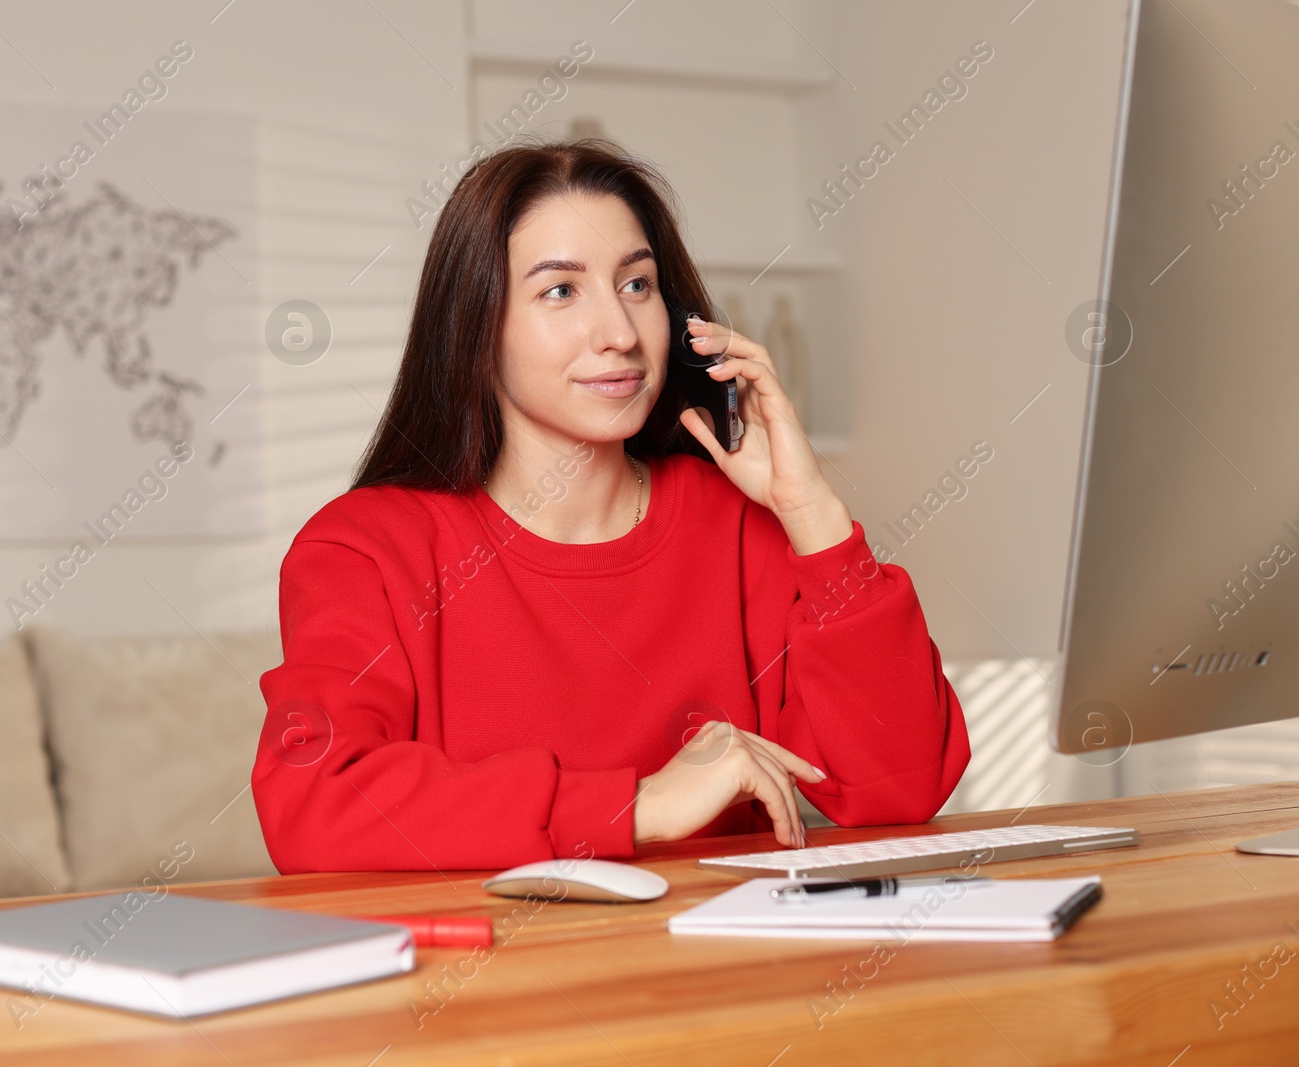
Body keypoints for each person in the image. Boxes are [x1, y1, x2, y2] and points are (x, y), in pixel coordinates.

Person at [251, 138, 970, 874]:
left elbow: (902, 788)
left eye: (637, 284)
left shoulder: (739, 526)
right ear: (476, 328)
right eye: (560, 291)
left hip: (729, 976)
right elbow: (314, 804)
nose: (621, 334)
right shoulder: (365, 548)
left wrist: (810, 507)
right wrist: (640, 805)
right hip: (486, 982)